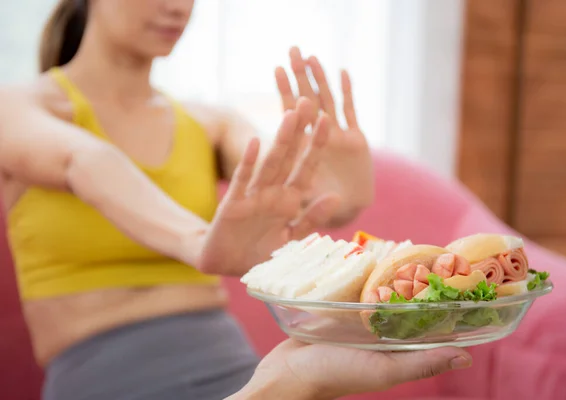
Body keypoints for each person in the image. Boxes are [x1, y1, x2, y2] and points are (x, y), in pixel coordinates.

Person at [0, 0, 471, 399]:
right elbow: (84, 162)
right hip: (101, 375)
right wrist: (198, 241)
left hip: (230, 366)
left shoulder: (209, 122)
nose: (178, 6)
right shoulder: (19, 107)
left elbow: (289, 188)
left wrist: (343, 186)